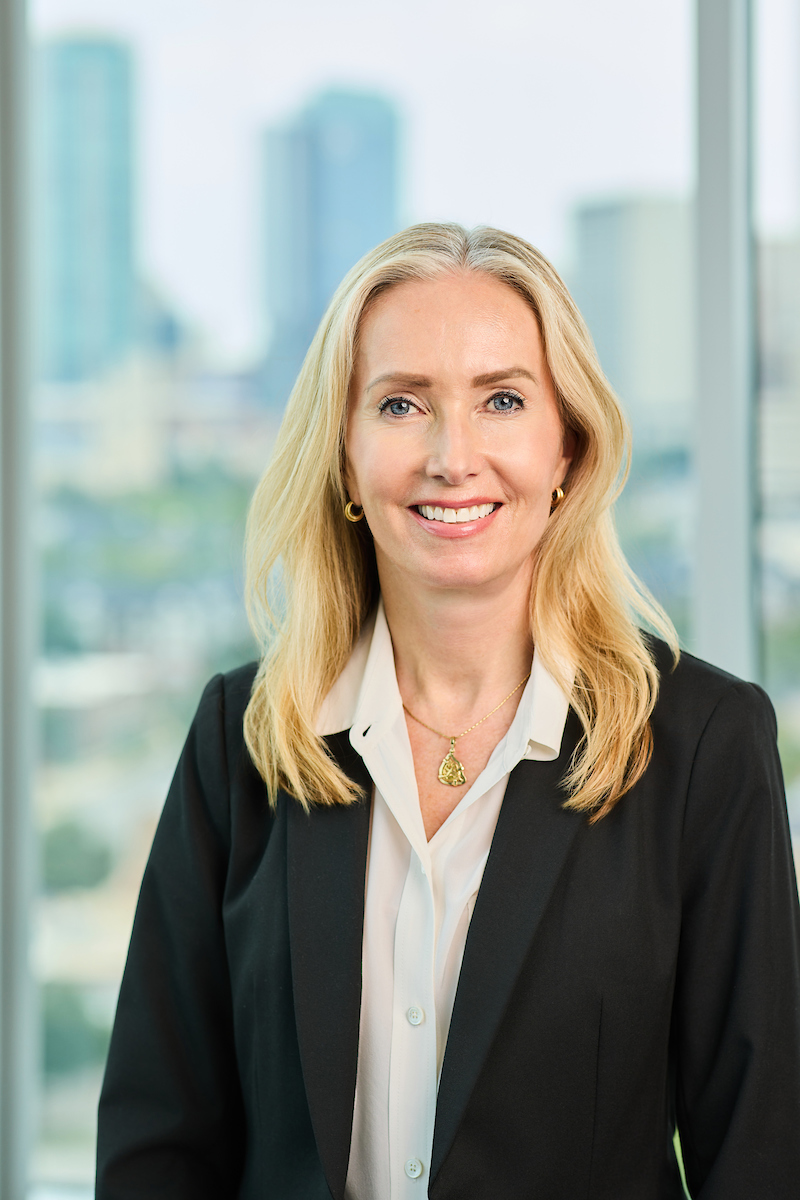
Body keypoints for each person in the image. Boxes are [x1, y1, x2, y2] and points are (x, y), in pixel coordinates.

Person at [96, 223, 800, 1200]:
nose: (449, 456)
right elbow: (156, 1144)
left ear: (568, 448)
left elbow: (759, 1155)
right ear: (343, 457)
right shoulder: (240, 739)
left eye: (502, 400)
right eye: (399, 404)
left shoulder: (701, 748)